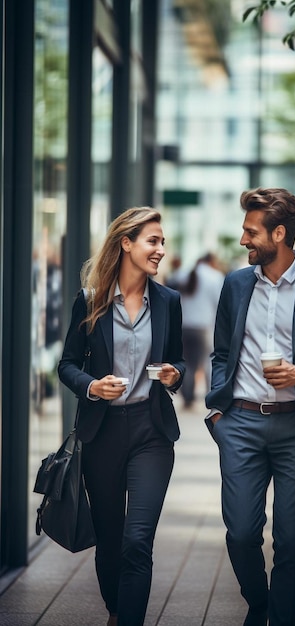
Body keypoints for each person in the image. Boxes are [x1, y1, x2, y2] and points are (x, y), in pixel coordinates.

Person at [205, 187, 295, 626]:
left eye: (251, 232)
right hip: (242, 424)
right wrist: (218, 411)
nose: (244, 239)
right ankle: (260, 605)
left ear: (280, 233)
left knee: (291, 542)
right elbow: (220, 354)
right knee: (242, 533)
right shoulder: (235, 284)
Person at [58, 207, 185, 626]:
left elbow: (179, 362)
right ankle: (116, 610)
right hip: (103, 434)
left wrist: (174, 374)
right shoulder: (91, 300)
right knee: (111, 541)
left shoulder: (168, 301)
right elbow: (68, 364)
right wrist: (92, 387)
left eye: (163, 242)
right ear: (126, 243)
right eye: (153, 241)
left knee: (137, 541)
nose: (161, 250)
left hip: (152, 431)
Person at [167, 253, 223, 408]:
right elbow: (219, 304)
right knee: (208, 361)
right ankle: (212, 395)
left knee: (187, 363)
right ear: (211, 262)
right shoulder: (215, 277)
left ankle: (188, 398)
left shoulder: (182, 274)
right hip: (203, 327)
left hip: (183, 326)